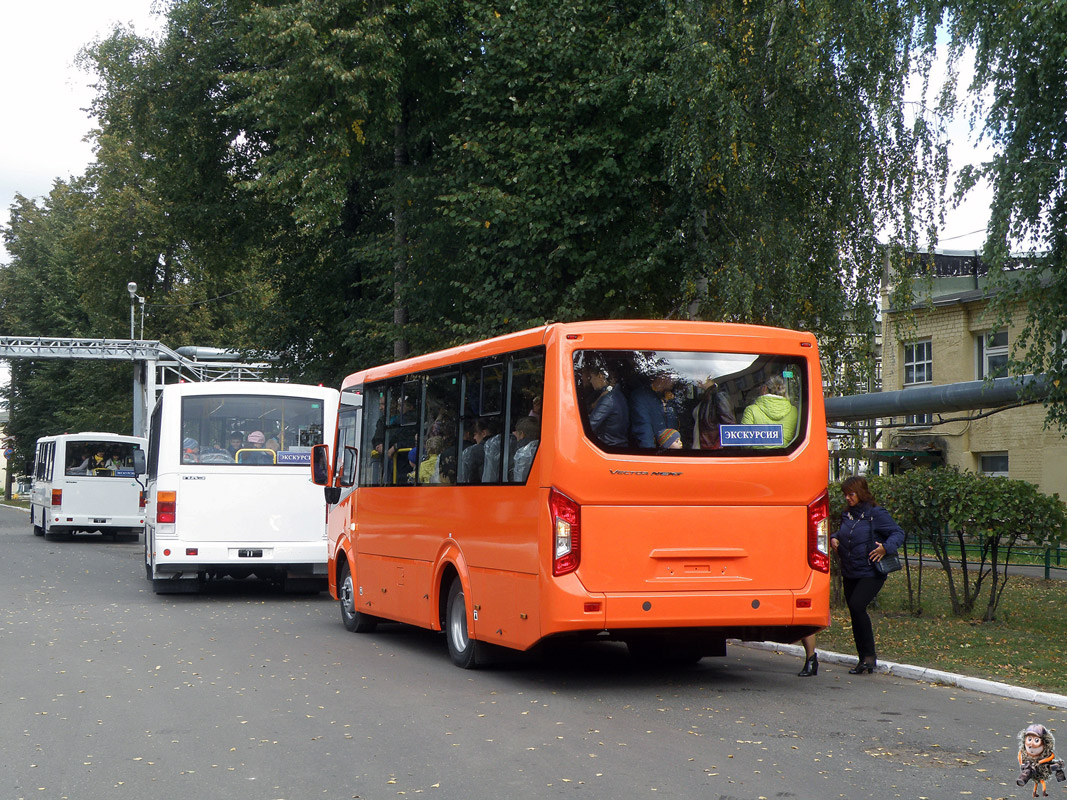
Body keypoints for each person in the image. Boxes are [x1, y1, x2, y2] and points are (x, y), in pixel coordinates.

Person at [830, 475, 906, 674]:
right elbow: (847, 533)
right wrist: (834, 538)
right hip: (850, 570)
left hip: (871, 571)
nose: (847, 498)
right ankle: (864, 658)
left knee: (857, 605)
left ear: (861, 493)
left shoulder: (876, 513)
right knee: (855, 613)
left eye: (851, 494)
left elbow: (898, 533)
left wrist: (886, 548)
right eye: (845, 494)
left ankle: (869, 657)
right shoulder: (848, 515)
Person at [740, 375, 798, 447]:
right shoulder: (794, 411)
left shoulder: (751, 410)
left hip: (758, 456)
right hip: (785, 455)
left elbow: (745, 443)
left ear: (764, 389)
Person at [581, 364, 629, 447]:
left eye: (592, 377)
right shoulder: (616, 394)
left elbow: (589, 426)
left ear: (600, 376)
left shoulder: (608, 399)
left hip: (609, 447)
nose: (590, 381)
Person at [629, 369, 675, 448]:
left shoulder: (668, 397)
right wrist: (651, 454)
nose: (673, 381)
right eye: (671, 377)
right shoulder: (641, 397)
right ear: (662, 378)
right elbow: (643, 429)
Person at [691, 378, 736, 449]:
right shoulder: (704, 399)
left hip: (711, 450)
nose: (696, 377)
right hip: (701, 448)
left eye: (699, 373)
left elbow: (729, 426)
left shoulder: (718, 396)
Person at [511, 416, 540, 482]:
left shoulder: (522, 453)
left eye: (517, 433)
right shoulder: (541, 448)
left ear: (521, 434)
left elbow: (518, 480)